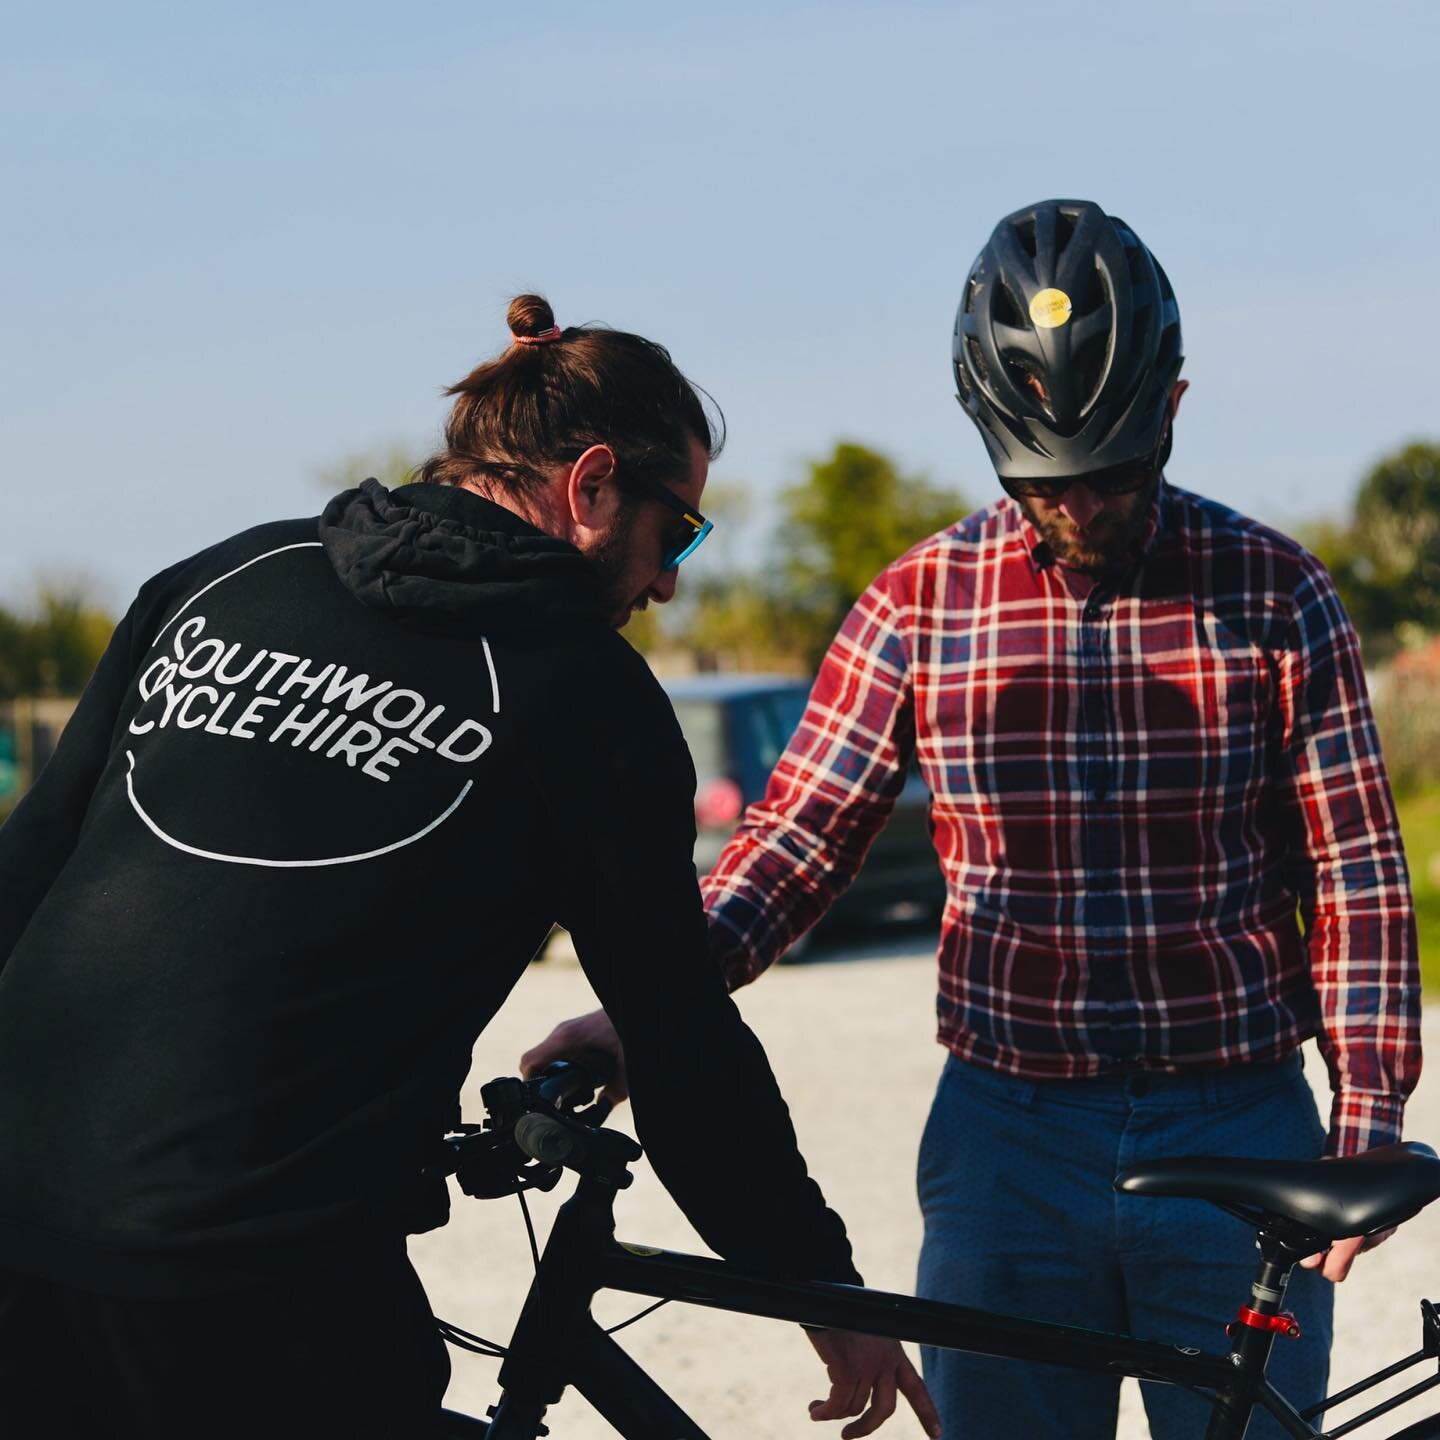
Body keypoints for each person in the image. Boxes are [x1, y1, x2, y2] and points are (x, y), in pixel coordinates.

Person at [521, 203, 1423, 1438]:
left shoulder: (1279, 592)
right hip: (1010, 1142)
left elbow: (1356, 869)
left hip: (1239, 1115)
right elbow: (795, 843)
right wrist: (651, 1000)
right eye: (1046, 481)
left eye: (1109, 473)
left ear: (1170, 406)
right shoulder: (919, 600)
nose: (1082, 509)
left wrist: (1366, 1117)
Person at [0, 294, 939, 1440]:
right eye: (678, 533)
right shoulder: (584, 695)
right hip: (257, 1275)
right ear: (591, 485)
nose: (669, 585)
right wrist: (818, 1283)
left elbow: (28, 869)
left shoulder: (220, 578)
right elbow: (681, 1039)